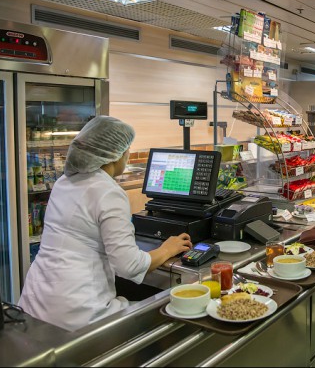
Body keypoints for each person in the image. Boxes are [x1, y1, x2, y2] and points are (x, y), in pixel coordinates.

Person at [19, 116, 192, 331]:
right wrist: (168, 249)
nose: (127, 155)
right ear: (114, 155)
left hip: (36, 302)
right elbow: (129, 266)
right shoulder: (108, 192)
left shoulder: (64, 182)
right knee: (168, 317)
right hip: (81, 311)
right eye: (127, 150)